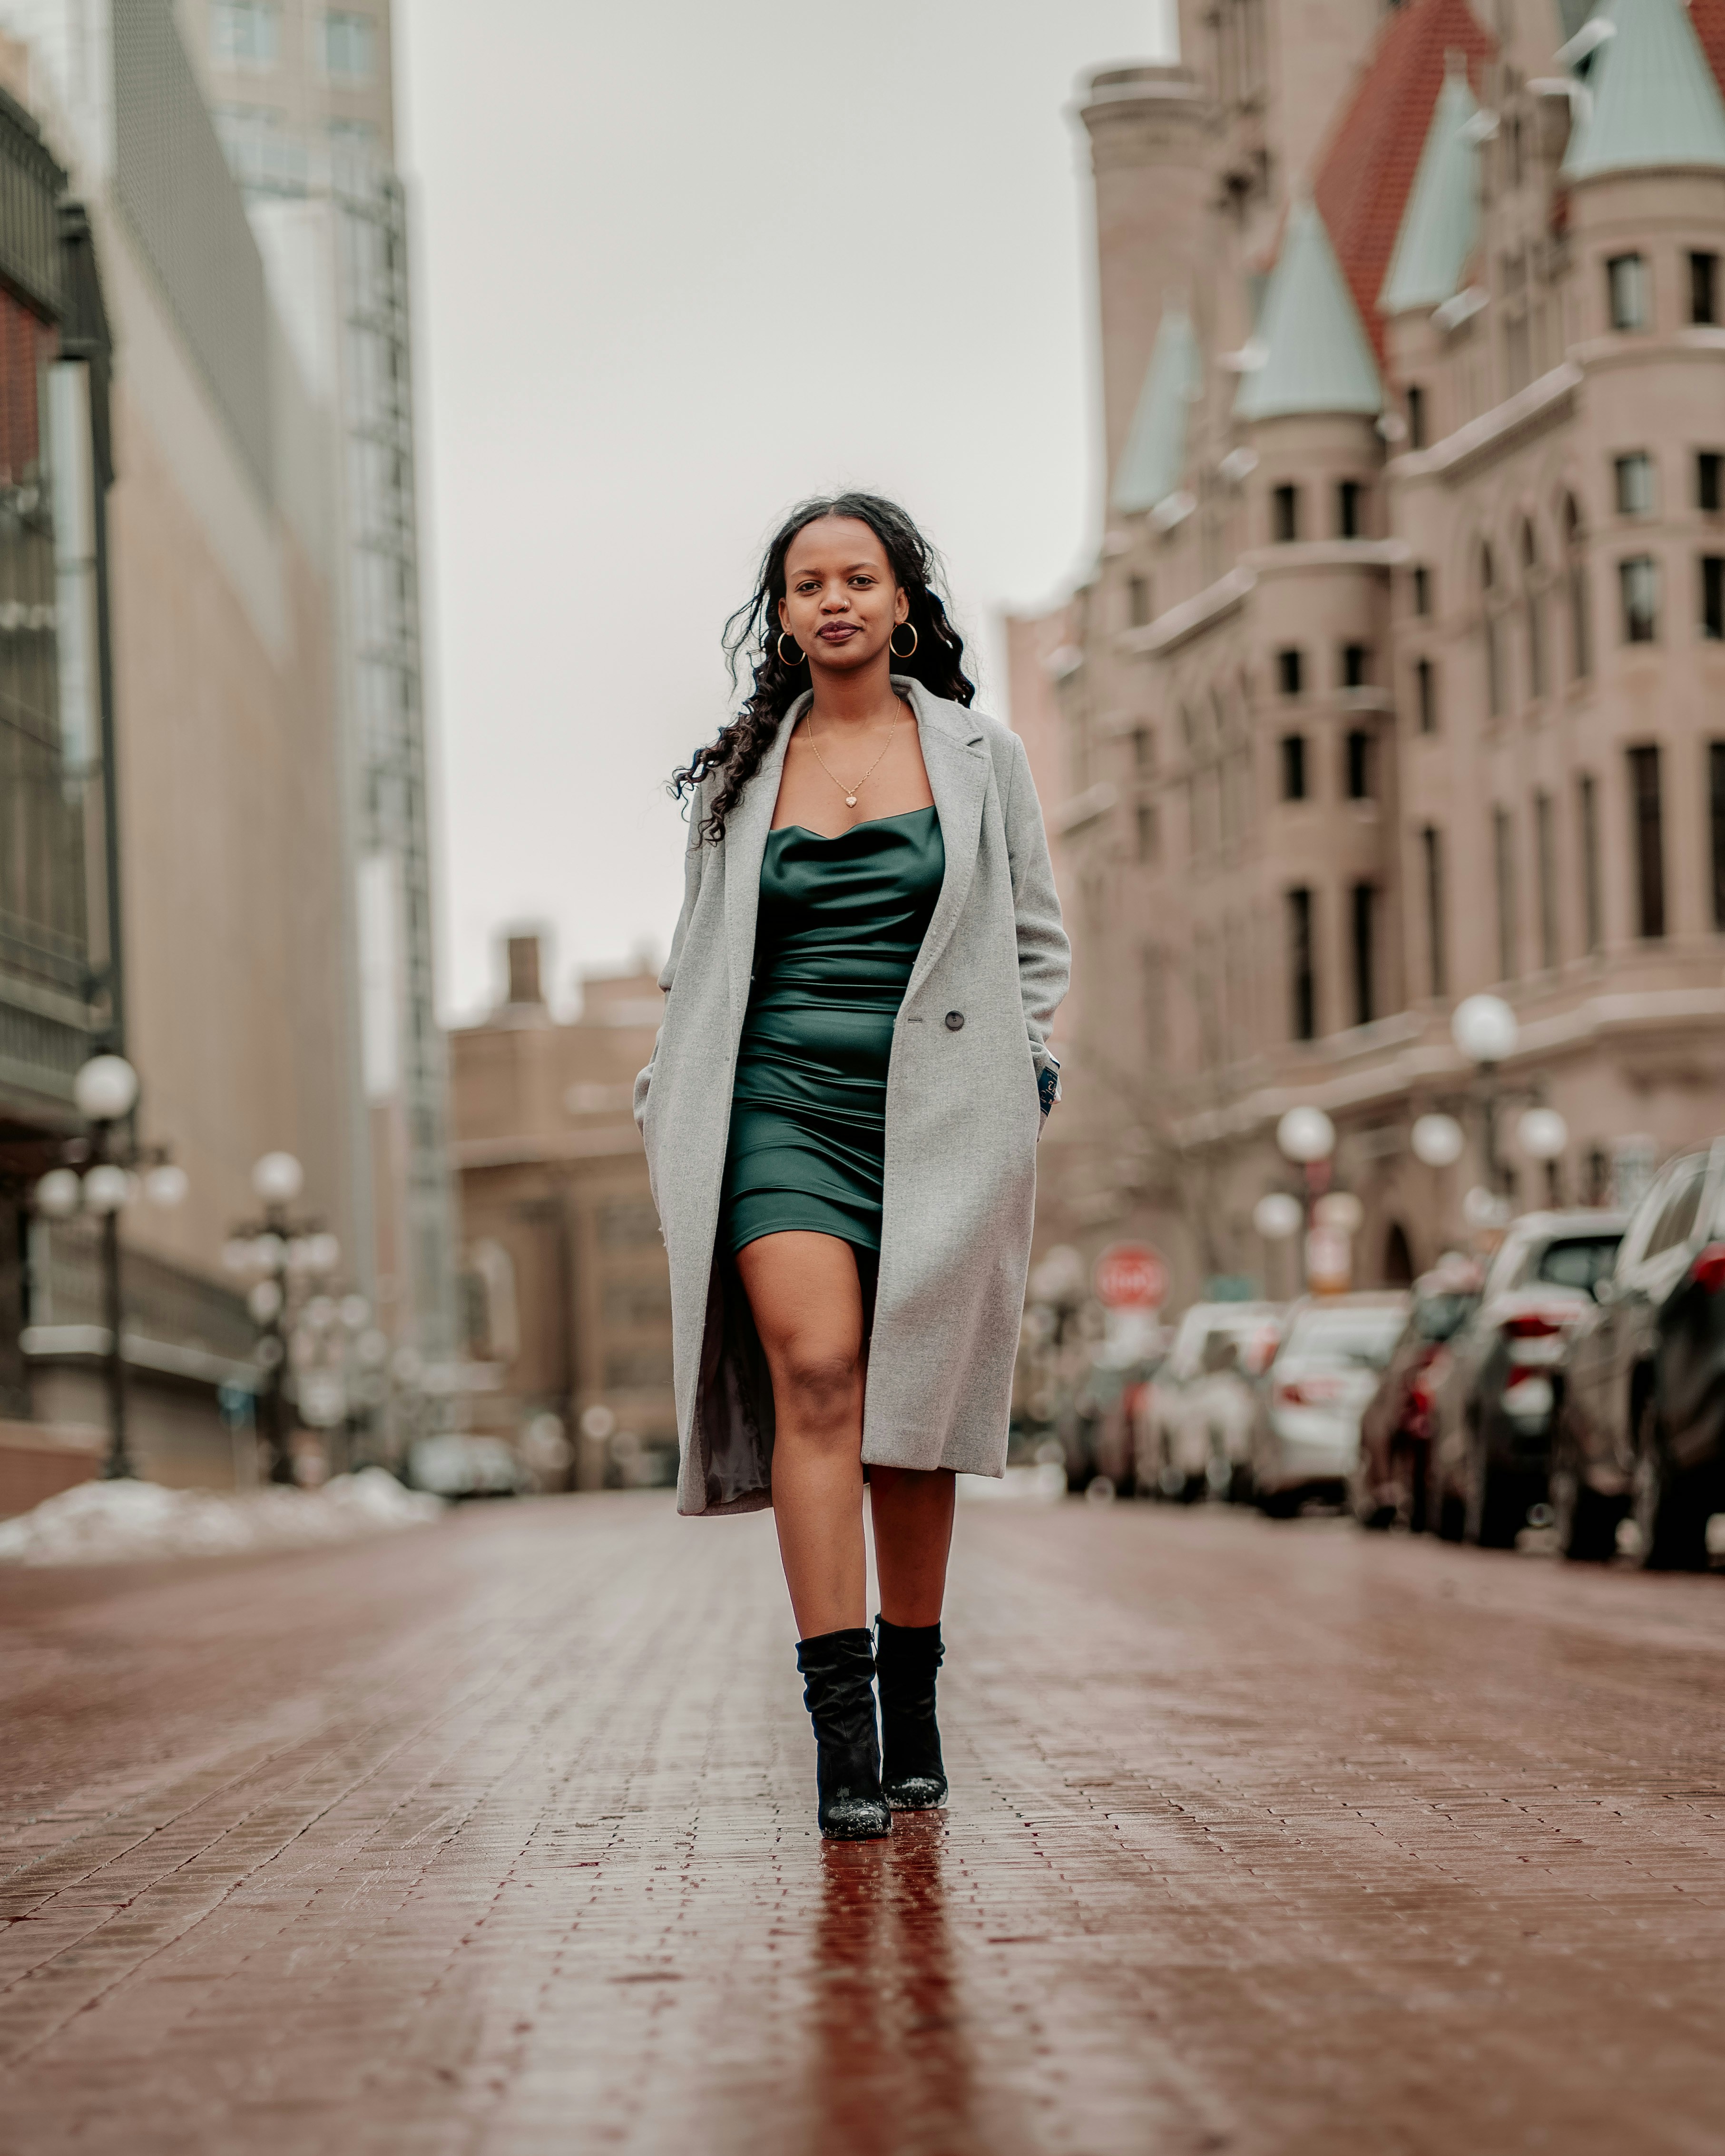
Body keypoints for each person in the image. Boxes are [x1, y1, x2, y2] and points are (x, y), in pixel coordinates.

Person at [634, 492, 1068, 1839]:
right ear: (782, 613)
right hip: (775, 1103)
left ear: (898, 602)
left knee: (912, 1411)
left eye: (858, 578)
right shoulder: (735, 774)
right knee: (816, 1368)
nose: (833, 600)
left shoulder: (980, 758)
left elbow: (1035, 943)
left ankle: (915, 1688)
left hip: (939, 1113)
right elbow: (696, 959)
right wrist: (671, 1085)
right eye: (807, 582)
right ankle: (841, 1730)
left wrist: (1026, 1075)